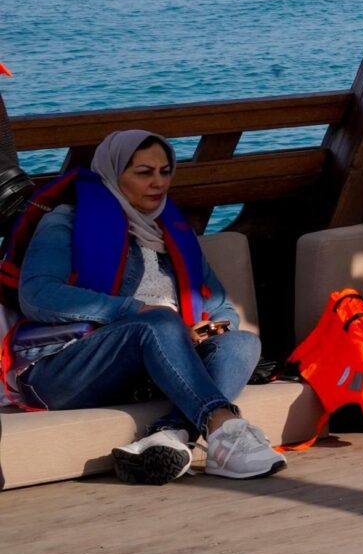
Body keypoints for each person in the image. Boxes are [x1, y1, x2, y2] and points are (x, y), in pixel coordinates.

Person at [5, 130, 281, 483]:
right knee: (160, 322)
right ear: (113, 172)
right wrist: (133, 311)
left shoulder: (172, 232)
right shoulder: (66, 221)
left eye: (165, 172)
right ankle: (224, 428)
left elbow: (221, 304)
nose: (158, 183)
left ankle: (169, 435)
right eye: (144, 172)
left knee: (243, 342)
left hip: (153, 366)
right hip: (65, 368)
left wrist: (209, 329)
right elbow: (38, 295)